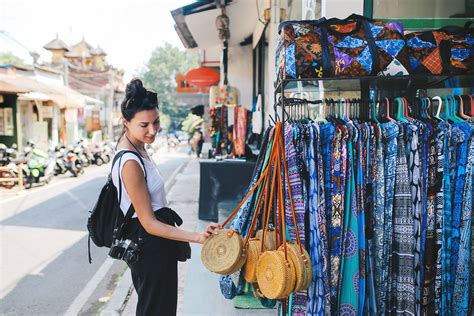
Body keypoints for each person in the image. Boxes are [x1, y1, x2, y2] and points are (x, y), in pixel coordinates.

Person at [112, 79, 221, 315]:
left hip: (155, 246)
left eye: (156, 122)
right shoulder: (130, 162)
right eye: (144, 125)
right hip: (150, 248)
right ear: (125, 122)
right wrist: (198, 237)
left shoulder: (137, 147)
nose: (152, 130)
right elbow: (149, 223)